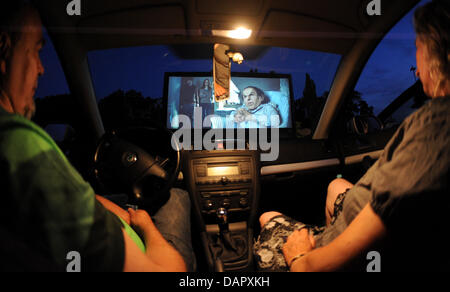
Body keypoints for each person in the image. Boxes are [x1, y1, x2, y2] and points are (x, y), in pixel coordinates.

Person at [254, 0, 450, 272]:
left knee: (268, 216)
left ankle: (325, 236)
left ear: (440, 53)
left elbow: (311, 269)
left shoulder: (437, 122)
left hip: (327, 259)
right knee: (336, 186)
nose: (417, 69)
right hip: (367, 225)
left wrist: (300, 255)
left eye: (418, 48)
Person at [0, 2, 195, 272]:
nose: (42, 69)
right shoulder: (19, 143)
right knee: (175, 196)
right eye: (34, 51)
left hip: (119, 237)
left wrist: (124, 214)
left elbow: (84, 198)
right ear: (4, 48)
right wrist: (146, 227)